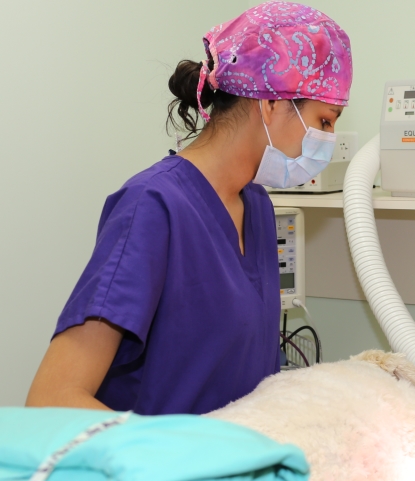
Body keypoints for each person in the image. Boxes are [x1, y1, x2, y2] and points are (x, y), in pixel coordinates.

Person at [26, 2, 351, 415]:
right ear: (270, 103)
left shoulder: (258, 207)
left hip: (233, 466)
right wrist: (190, 452)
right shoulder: (154, 207)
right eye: (324, 121)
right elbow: (52, 401)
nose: (329, 139)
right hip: (155, 472)